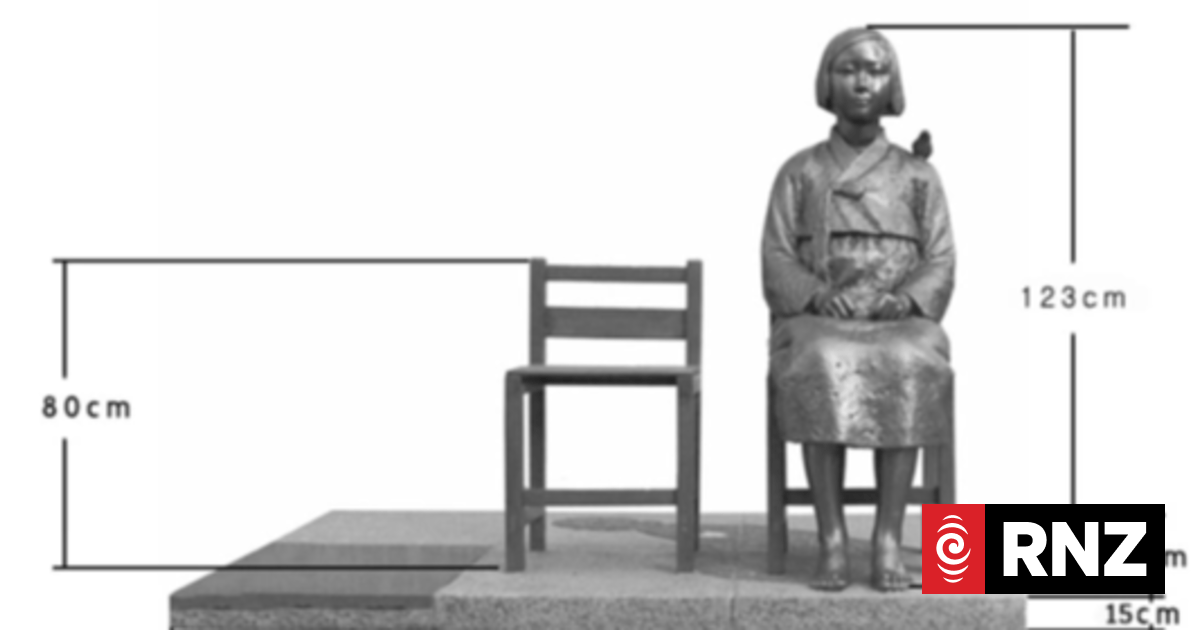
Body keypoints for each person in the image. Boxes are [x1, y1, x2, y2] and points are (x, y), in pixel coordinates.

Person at [762, 27, 955, 592]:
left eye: (875, 70)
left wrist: (904, 298)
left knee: (911, 361)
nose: (863, 82)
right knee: (820, 359)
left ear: (893, 84)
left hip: (899, 320)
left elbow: (941, 256)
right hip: (820, 318)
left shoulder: (918, 175)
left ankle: (888, 538)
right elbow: (776, 253)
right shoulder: (800, 171)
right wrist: (817, 293)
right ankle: (832, 538)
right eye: (849, 70)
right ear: (827, 82)